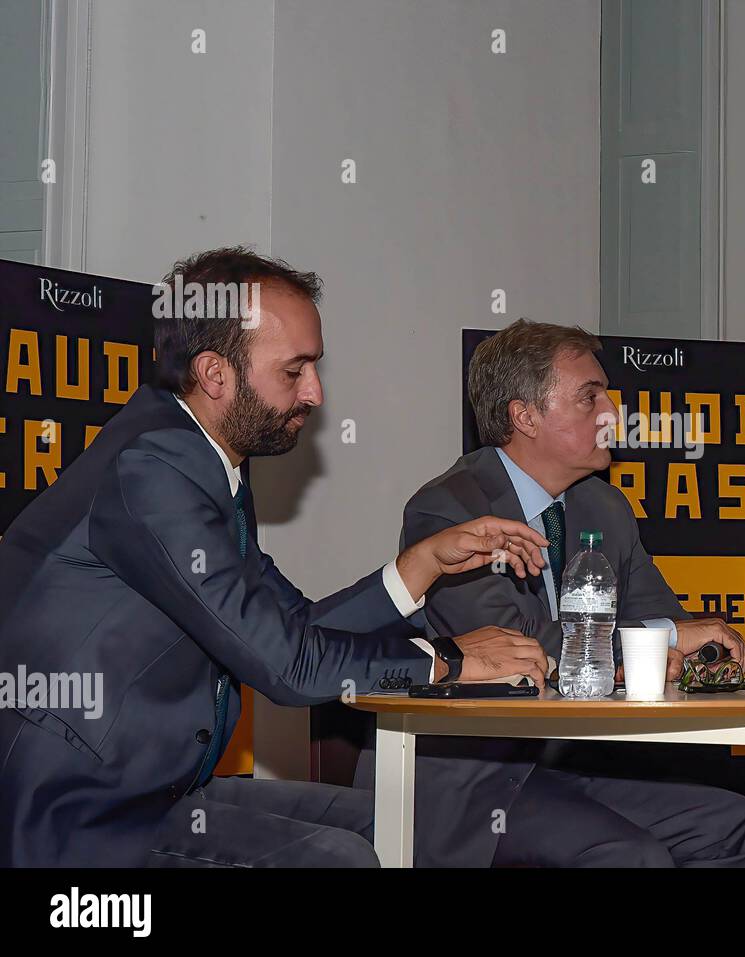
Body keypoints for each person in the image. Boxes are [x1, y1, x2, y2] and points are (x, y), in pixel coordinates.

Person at [0, 247, 550, 867]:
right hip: (75, 819)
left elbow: (295, 630)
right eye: (295, 371)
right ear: (215, 375)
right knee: (333, 859)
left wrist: (421, 565)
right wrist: (448, 663)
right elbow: (287, 666)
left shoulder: (205, 463)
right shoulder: (153, 468)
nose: (315, 392)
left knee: (409, 825)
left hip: (158, 794)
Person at [353, 319, 745, 868]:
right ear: (524, 416)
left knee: (739, 829)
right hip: (472, 783)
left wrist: (691, 646)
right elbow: (519, 646)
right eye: (589, 398)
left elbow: (662, 624)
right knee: (629, 855)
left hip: (581, 765)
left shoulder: (605, 508)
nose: (612, 414)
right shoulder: (450, 509)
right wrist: (668, 637)